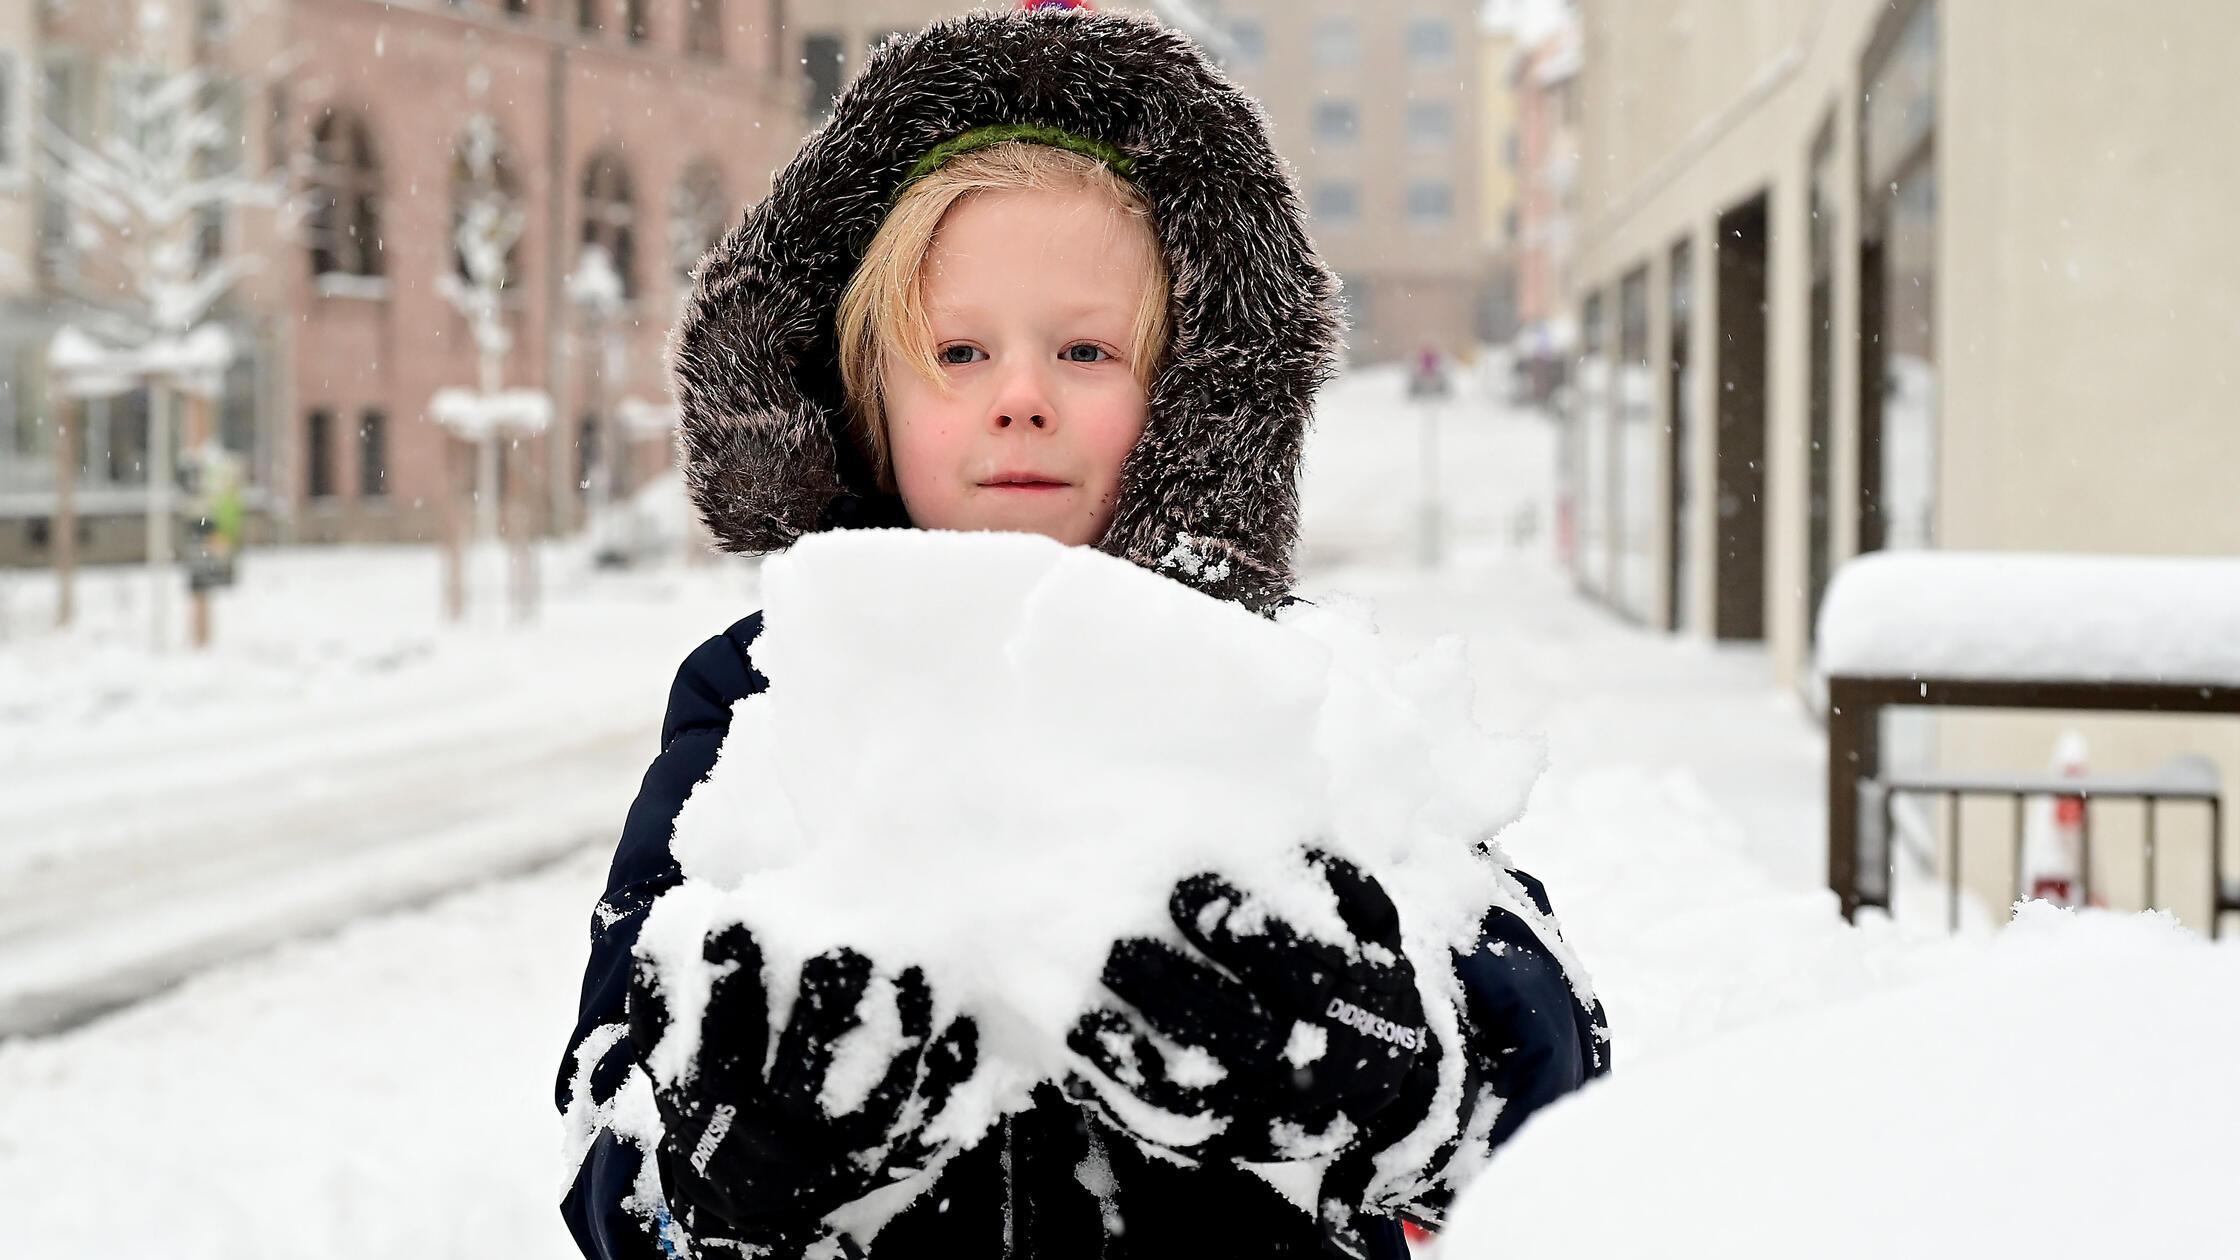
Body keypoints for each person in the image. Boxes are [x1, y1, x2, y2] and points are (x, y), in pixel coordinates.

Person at [557, 9, 1607, 1258]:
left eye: (1086, 349)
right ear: (861, 393)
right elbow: (609, 1140)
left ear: (1188, 396)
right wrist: (721, 1156)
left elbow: (1554, 1089)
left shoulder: (1295, 692)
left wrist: (1395, 1065)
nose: (1020, 397)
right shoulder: (759, 699)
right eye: (956, 350)